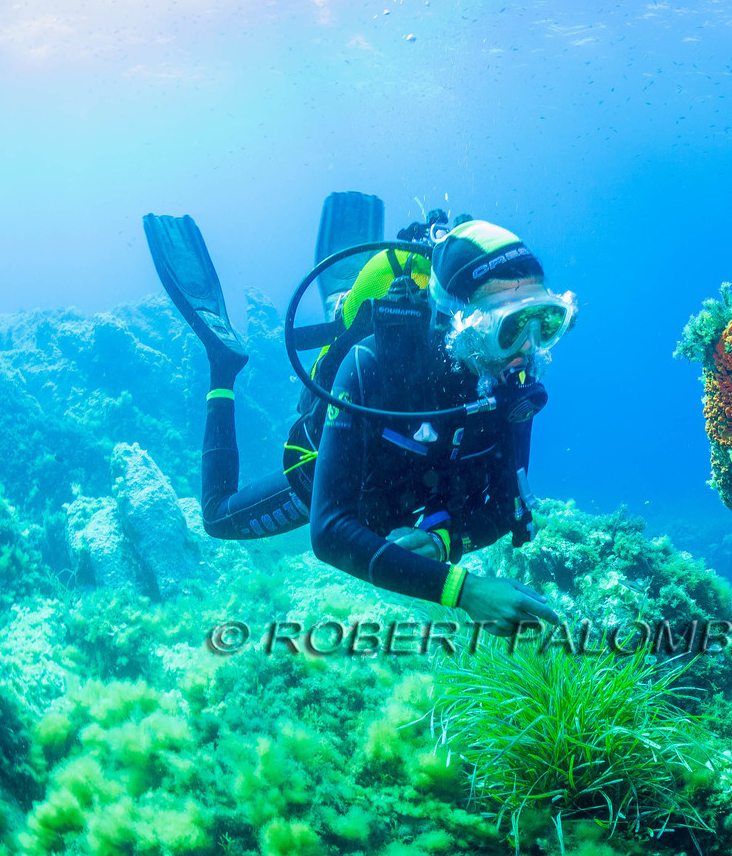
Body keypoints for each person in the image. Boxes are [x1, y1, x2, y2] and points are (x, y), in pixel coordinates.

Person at [143, 195, 569, 633]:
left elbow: (505, 507)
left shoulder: (500, 377)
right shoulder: (373, 362)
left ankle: (347, 302)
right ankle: (222, 362)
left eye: (546, 323)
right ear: (462, 320)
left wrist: (443, 541)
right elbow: (328, 531)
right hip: (344, 476)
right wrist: (461, 590)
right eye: (512, 326)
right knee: (216, 517)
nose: (528, 348)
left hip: (419, 487)